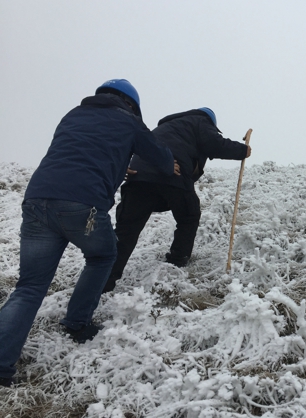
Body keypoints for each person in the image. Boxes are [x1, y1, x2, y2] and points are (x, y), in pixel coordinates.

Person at [0, 79, 179, 387]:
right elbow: (161, 158)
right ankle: (77, 323)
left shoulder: (73, 115)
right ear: (131, 105)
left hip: (38, 199)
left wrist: (117, 165)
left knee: (29, 287)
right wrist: (172, 164)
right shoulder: (130, 122)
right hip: (83, 204)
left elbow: (82, 153)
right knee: (103, 255)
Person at [102, 107, 250, 293]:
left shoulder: (165, 127)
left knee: (126, 231)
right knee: (189, 216)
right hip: (173, 173)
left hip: (138, 177)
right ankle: (177, 259)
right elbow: (214, 143)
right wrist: (242, 150)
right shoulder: (199, 121)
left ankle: (102, 281)